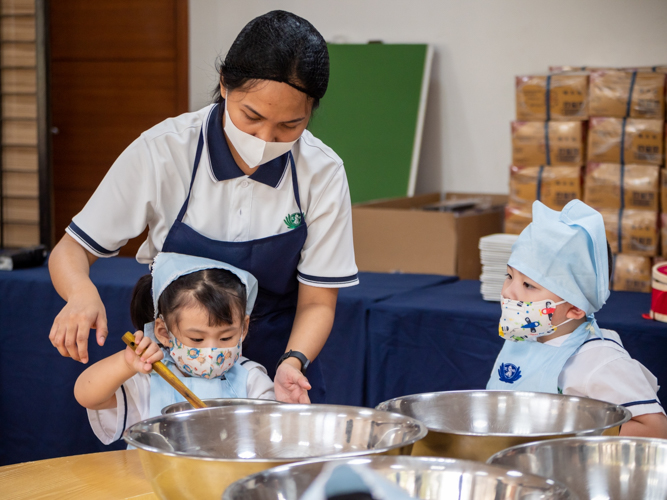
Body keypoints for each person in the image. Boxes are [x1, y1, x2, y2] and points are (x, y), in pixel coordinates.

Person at [49, 10, 359, 404]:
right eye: (252, 116)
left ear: (311, 111)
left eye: (290, 125)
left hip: (276, 371)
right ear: (224, 85)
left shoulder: (322, 172)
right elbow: (72, 250)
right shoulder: (163, 151)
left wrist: (293, 361)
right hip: (173, 368)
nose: (266, 138)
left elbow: (317, 301)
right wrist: (80, 293)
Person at [487, 200, 667, 438]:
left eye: (528, 285)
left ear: (575, 308)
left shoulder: (601, 361)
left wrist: (577, 438)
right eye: (509, 276)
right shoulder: (522, 339)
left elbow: (656, 429)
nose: (508, 291)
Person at [75, 252, 275, 444]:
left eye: (226, 337)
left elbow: (271, 436)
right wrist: (125, 364)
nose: (212, 351)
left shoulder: (252, 380)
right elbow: (87, 396)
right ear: (163, 332)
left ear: (244, 328)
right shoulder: (150, 377)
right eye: (197, 339)